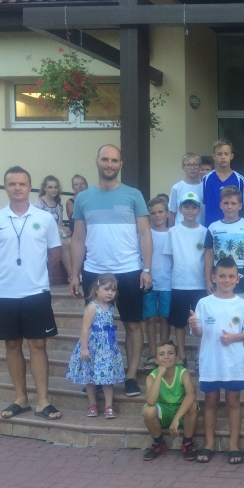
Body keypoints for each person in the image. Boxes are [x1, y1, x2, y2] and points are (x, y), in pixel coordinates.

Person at [0, 166, 62, 421]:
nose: (17, 188)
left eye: (22, 184)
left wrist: (37, 273)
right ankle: (21, 398)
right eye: (12, 184)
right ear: (5, 187)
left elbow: (55, 253)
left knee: (38, 345)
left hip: (36, 292)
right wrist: (2, 274)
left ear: (29, 187)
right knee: (12, 344)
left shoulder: (44, 218)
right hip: (4, 294)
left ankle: (43, 401)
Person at [70, 144, 152, 398]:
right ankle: (96, 376)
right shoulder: (83, 198)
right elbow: (78, 238)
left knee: (133, 325)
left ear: (120, 164)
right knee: (95, 327)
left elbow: (144, 233)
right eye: (105, 159)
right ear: (97, 162)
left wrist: (146, 269)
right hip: (94, 272)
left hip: (129, 270)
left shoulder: (134, 195)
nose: (109, 164)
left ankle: (130, 376)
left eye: (114, 160)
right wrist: (74, 274)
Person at [188, 258, 244, 464]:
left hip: (233, 363)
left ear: (237, 279)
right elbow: (199, 333)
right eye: (222, 276)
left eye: (231, 276)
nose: (227, 280)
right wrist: (194, 325)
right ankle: (209, 444)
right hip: (210, 362)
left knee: (233, 401)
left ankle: (234, 445)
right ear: (213, 278)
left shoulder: (242, 304)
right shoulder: (204, 303)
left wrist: (234, 338)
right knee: (210, 401)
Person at [66, 274, 126, 419]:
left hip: (106, 348)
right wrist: (84, 348)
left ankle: (109, 406)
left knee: (107, 377)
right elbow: (85, 328)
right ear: (96, 290)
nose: (110, 293)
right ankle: (92, 405)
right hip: (92, 347)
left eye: (113, 290)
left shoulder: (110, 307)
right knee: (90, 376)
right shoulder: (92, 307)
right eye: (106, 289)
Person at [164, 192, 208, 367]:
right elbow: (171, 257)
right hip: (179, 284)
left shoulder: (205, 232)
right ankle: (181, 355)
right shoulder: (172, 231)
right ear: (180, 209)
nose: (190, 210)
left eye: (193, 207)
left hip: (200, 284)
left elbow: (208, 258)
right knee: (179, 322)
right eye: (186, 207)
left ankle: (200, 355)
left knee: (201, 322)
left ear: (199, 210)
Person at [142, 340, 199, 462]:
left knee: (192, 405)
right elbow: (151, 401)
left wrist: (176, 418)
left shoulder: (183, 373)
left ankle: (187, 442)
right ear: (156, 360)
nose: (166, 357)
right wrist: (159, 375)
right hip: (164, 413)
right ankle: (159, 443)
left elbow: (191, 395)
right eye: (161, 354)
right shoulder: (151, 376)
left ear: (177, 357)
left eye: (170, 353)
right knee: (148, 410)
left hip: (182, 414)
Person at [204, 186, 244, 302]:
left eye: (233, 203)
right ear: (220, 205)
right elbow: (208, 255)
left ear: (240, 205)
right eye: (226, 203)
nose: (229, 207)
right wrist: (208, 280)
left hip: (243, 282)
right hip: (219, 282)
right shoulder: (213, 227)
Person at [143, 197, 172, 370]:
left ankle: (164, 353)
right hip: (149, 283)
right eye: (153, 213)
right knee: (150, 318)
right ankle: (152, 353)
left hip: (168, 283)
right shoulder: (145, 234)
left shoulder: (173, 233)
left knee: (165, 318)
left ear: (167, 213)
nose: (157, 215)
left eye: (160, 212)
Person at [202, 140, 244, 228]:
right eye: (219, 154)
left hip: (233, 228)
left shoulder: (240, 179)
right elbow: (204, 203)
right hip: (211, 227)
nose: (223, 157)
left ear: (231, 156)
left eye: (226, 154)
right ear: (214, 156)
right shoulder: (206, 179)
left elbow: (242, 207)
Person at [34, 175, 70, 283]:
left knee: (72, 241)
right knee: (64, 243)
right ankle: (71, 275)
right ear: (45, 188)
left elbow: (60, 223)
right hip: (44, 233)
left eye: (55, 187)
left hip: (56, 232)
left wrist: (63, 229)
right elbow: (36, 224)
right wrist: (57, 230)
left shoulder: (59, 203)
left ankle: (77, 273)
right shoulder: (40, 203)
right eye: (50, 187)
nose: (53, 190)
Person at [168, 153, 205, 227]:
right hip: (181, 230)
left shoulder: (205, 187)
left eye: (195, 165)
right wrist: (172, 231)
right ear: (183, 167)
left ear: (200, 167)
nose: (192, 168)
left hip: (200, 228)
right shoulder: (176, 188)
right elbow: (172, 212)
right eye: (188, 165)